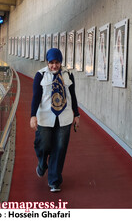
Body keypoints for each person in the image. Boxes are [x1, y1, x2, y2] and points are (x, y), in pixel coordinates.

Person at [30, 48, 80, 192]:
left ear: (61, 62)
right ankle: (42, 164)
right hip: (45, 116)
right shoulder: (40, 75)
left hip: (64, 117)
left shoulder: (68, 75)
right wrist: (33, 115)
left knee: (60, 148)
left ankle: (54, 180)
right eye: (51, 62)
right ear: (47, 62)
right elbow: (36, 97)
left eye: (57, 62)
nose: (54, 66)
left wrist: (76, 114)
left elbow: (73, 96)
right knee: (43, 144)